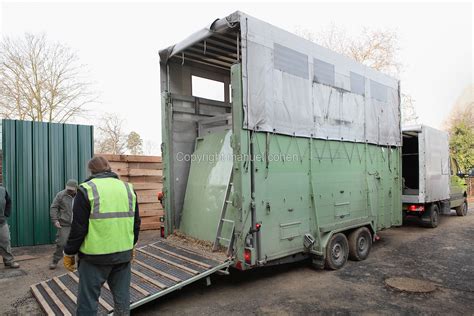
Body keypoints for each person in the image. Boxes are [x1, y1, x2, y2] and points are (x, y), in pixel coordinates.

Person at [63, 156, 140, 316]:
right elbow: (136, 223)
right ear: (109, 168)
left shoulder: (86, 189)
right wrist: (131, 245)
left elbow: (78, 228)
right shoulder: (128, 188)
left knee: (88, 303)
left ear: (91, 170)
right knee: (122, 301)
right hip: (123, 256)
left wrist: (69, 252)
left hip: (94, 259)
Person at [49, 179, 78, 269]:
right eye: (68, 188)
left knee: (79, 244)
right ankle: (55, 260)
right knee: (62, 243)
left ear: (76, 188)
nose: (69, 190)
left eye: (71, 189)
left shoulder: (81, 195)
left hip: (78, 224)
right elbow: (54, 207)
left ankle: (76, 263)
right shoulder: (61, 195)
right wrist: (55, 220)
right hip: (65, 224)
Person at [0, 184, 19, 269]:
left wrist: (6, 214)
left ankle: (8, 261)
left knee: (6, 240)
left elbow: (9, 201)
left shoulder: (2, 190)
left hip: (1, 221)